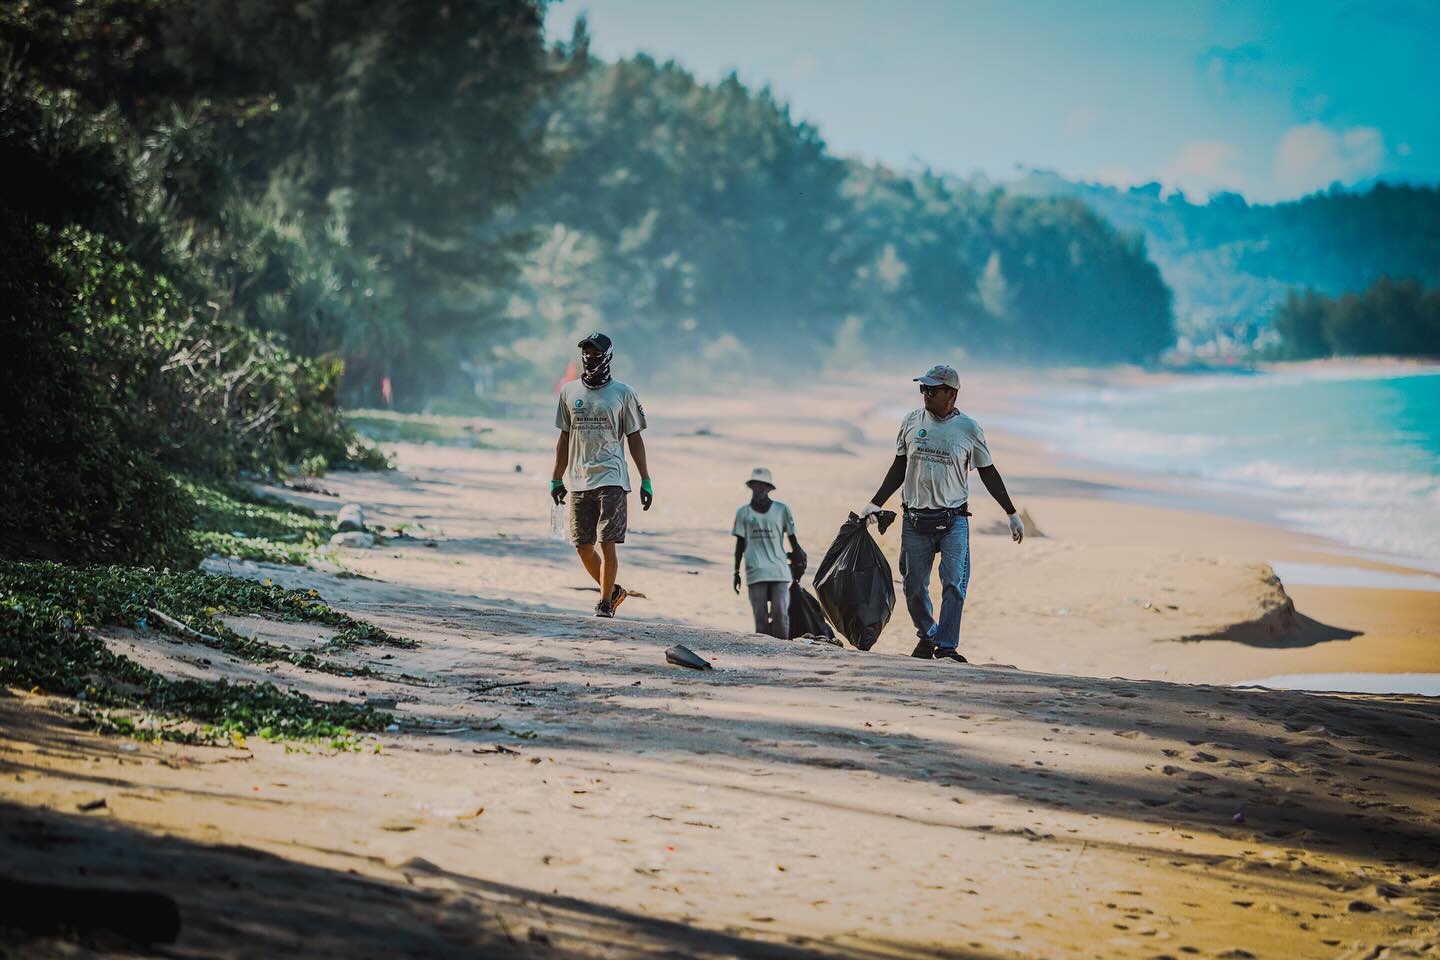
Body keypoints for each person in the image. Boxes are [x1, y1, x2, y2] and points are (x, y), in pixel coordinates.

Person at [859, 364, 1023, 662]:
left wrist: (1011, 513)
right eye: (923, 388)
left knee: (953, 583)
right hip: (915, 519)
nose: (925, 394)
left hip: (953, 520)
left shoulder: (969, 429)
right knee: (913, 586)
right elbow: (899, 466)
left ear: (952, 393)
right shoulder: (911, 421)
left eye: (932, 390)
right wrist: (875, 502)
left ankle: (946, 647)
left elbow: (988, 472)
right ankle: (928, 634)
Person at [551, 332, 653, 618]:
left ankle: (605, 603)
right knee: (583, 546)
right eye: (585, 352)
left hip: (613, 478)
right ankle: (613, 591)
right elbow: (564, 438)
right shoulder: (569, 392)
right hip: (579, 478)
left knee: (607, 542)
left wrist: (645, 479)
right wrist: (556, 478)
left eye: (595, 352)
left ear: (607, 356)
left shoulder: (623, 393)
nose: (589, 357)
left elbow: (635, 439)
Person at [732, 468, 805, 638]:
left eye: (763, 487)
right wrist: (736, 572)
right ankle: (765, 653)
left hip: (779, 569)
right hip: (755, 570)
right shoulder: (743, 513)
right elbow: (740, 544)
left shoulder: (782, 510)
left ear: (769, 489)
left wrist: (799, 558)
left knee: (781, 615)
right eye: (756, 486)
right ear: (752, 487)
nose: (759, 490)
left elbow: (793, 541)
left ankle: (782, 651)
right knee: (761, 618)